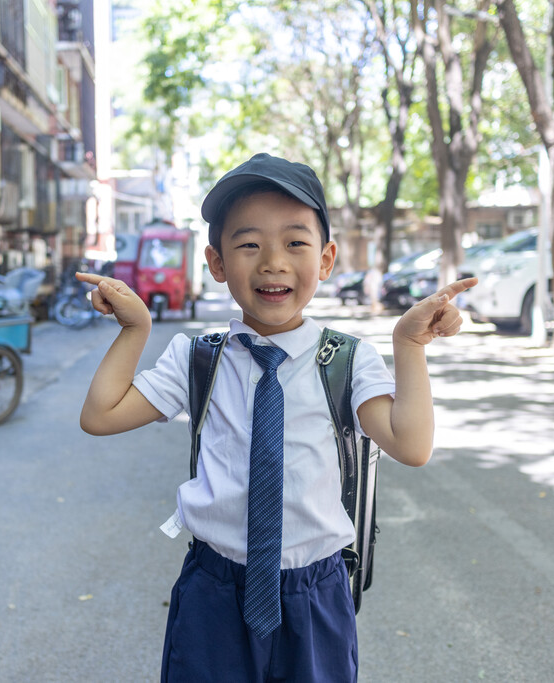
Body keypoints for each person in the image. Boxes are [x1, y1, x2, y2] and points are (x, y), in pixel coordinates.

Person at [76, 153, 476, 682]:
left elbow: (412, 444)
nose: (272, 261)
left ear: (327, 258)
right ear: (217, 264)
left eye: (295, 242)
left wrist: (409, 345)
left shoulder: (348, 360)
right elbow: (100, 415)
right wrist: (135, 331)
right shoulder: (198, 358)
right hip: (213, 591)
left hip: (315, 593)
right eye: (248, 244)